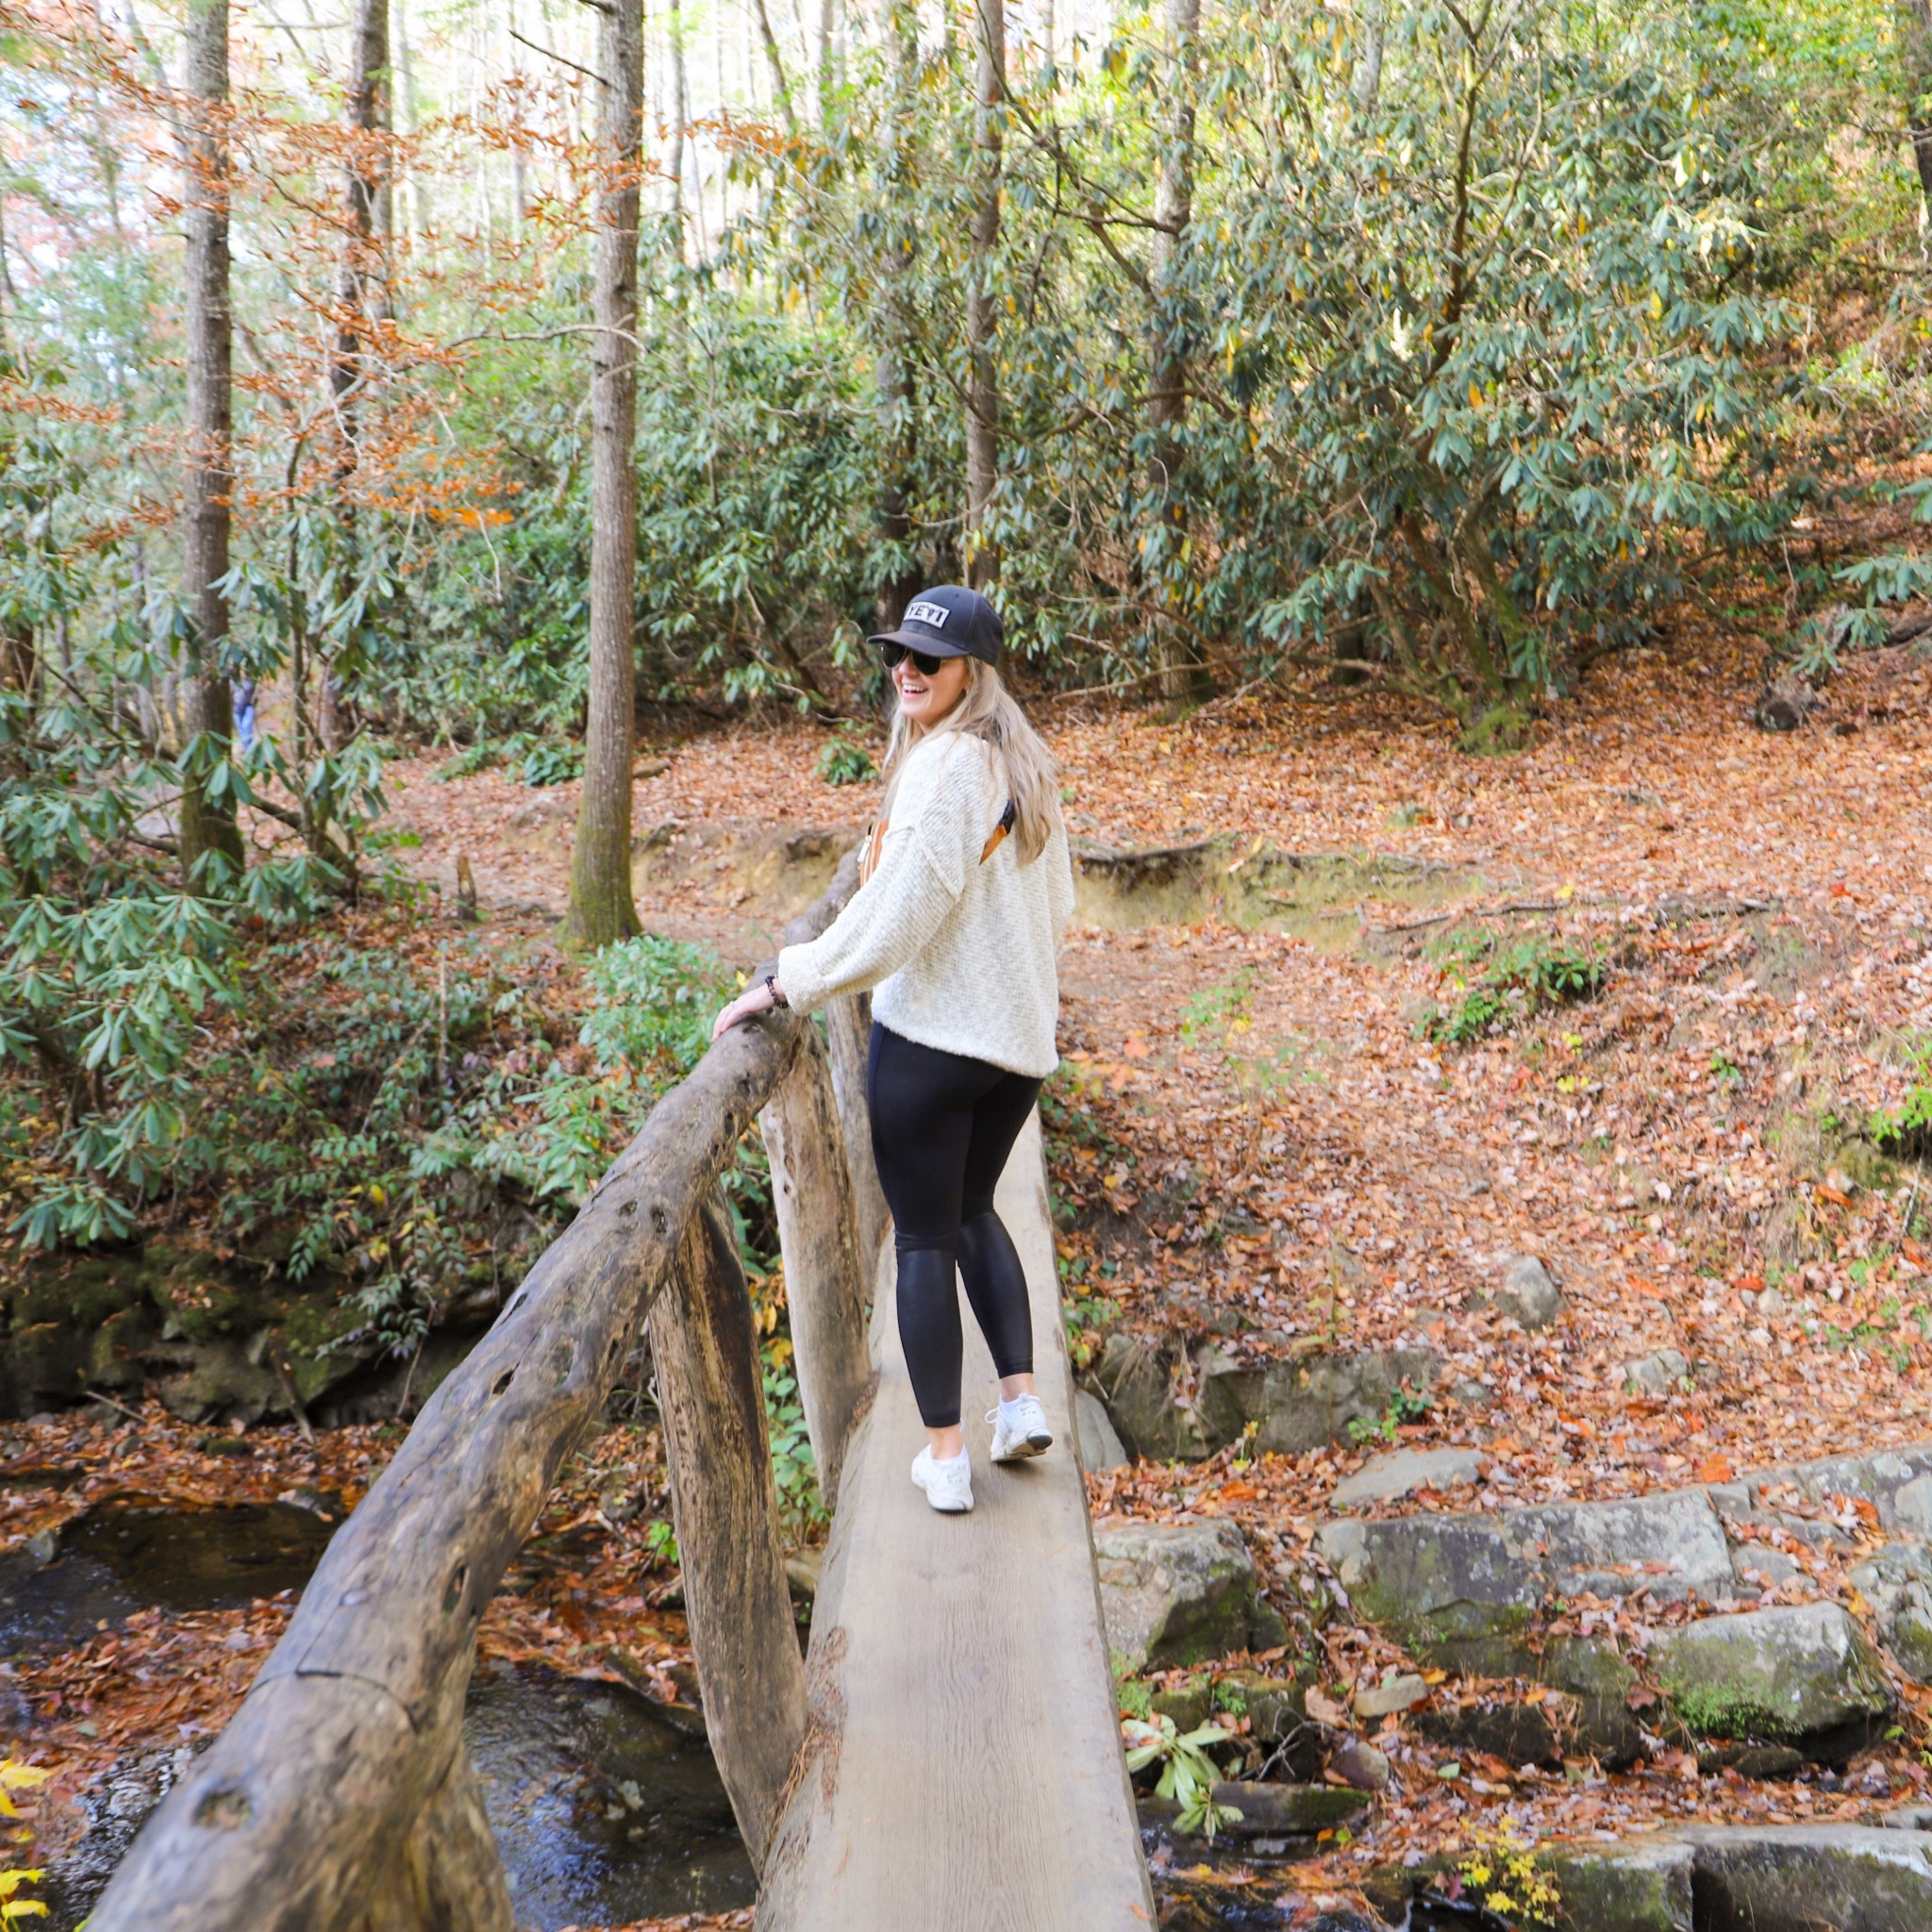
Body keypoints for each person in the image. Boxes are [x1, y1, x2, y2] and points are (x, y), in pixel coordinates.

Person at [712, 585, 1075, 1514]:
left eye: (929, 659)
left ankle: (945, 1458)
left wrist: (787, 979)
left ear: (972, 671)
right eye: (897, 656)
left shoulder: (947, 766)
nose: (905, 673)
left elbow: (894, 917)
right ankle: (1021, 1403)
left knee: (919, 1239)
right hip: (1012, 1052)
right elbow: (1056, 905)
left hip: (931, 1049)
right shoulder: (1022, 762)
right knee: (971, 1213)